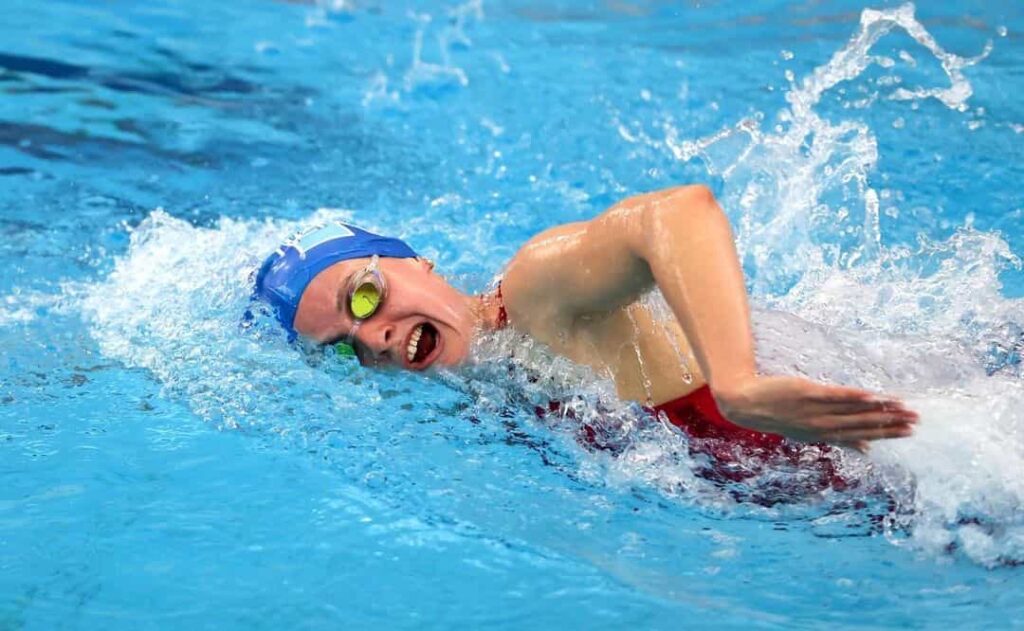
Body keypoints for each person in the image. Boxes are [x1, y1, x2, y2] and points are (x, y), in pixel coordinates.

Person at [254, 185, 918, 452]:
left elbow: (677, 213)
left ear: (416, 263)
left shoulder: (534, 292)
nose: (372, 336)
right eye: (343, 348)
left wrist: (738, 384)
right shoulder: (487, 391)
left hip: (909, 429)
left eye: (362, 296)